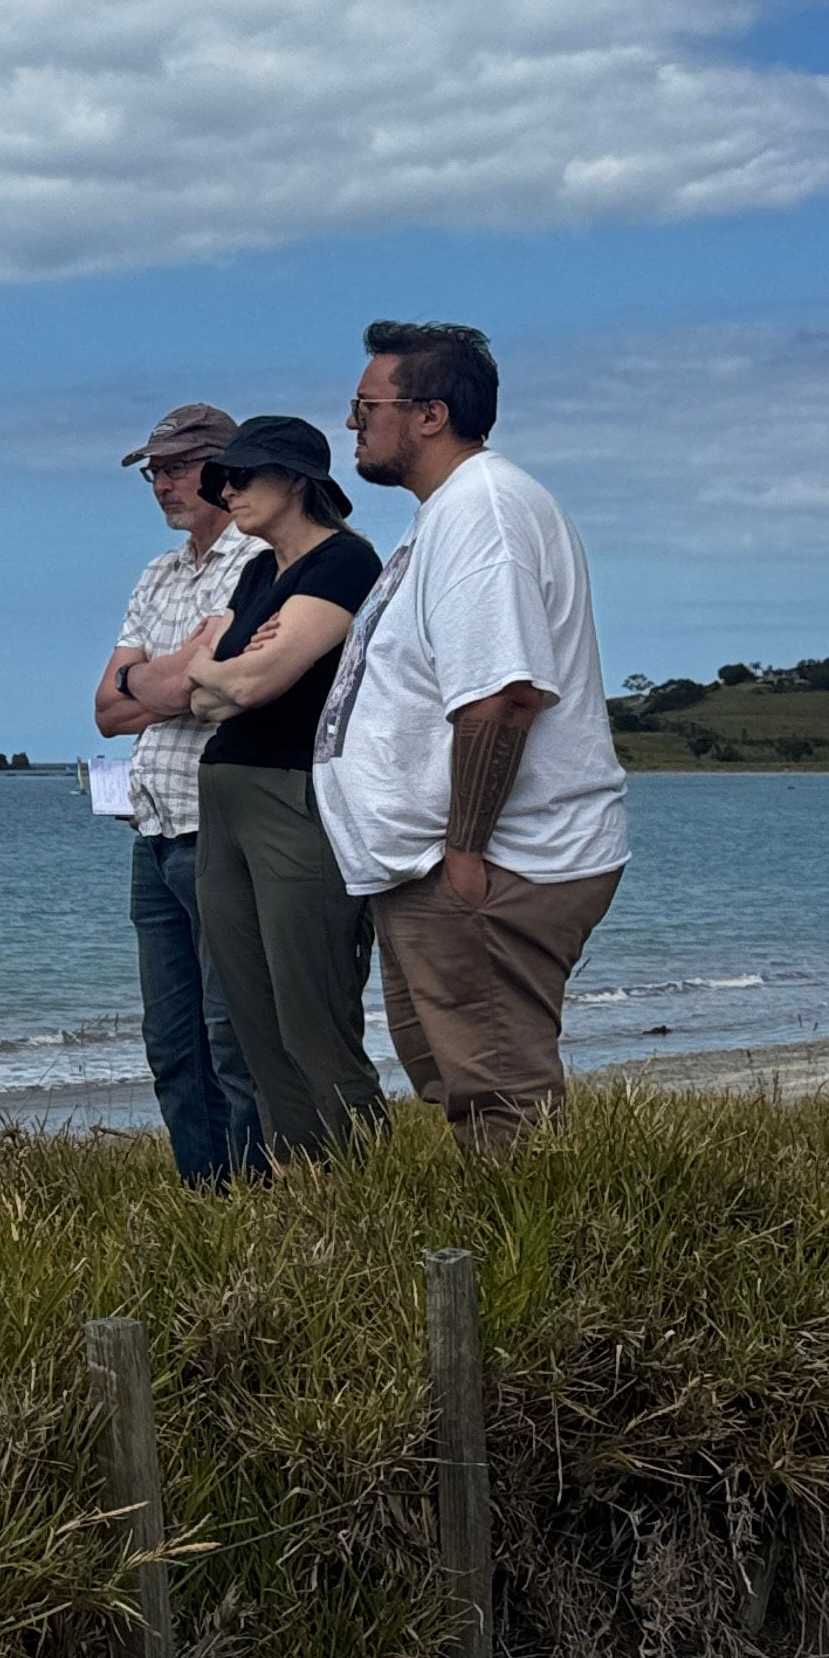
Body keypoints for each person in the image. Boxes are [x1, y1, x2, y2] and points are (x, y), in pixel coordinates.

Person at [315, 320, 630, 1152]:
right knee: (467, 1087)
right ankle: (497, 1257)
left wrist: (463, 851)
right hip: (446, 860)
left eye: (365, 404)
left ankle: (530, 1270)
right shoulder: (449, 514)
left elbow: (502, 696)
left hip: (492, 861)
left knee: (501, 1097)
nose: (352, 423)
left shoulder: (483, 511)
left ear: (431, 414)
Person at [147, 415, 386, 1157]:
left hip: (294, 796)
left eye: (244, 477)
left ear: (295, 481)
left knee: (311, 1008)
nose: (231, 492)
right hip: (224, 794)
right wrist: (221, 672)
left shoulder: (343, 563)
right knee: (252, 1018)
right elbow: (204, 695)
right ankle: (303, 1182)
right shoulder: (261, 572)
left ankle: (362, 1177)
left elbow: (246, 681)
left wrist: (222, 670)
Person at [95, 403, 266, 1182]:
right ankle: (206, 1195)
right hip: (153, 824)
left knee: (232, 1033)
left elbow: (215, 688)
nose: (159, 484)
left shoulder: (256, 559)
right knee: (171, 1039)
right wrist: (171, 675)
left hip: (218, 824)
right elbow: (108, 710)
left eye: (175, 467)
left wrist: (156, 680)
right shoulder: (158, 574)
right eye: (152, 471)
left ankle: (257, 1195)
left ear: (224, 468)